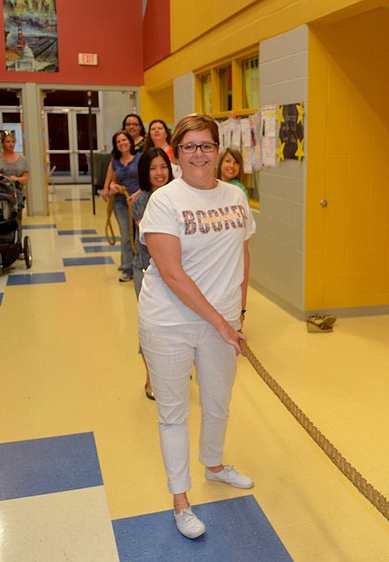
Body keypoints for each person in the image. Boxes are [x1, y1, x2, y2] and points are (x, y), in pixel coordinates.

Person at [137, 113, 255, 540]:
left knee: (219, 400)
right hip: (168, 322)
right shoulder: (164, 201)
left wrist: (238, 314)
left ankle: (215, 464)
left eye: (206, 145)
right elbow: (173, 276)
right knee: (173, 413)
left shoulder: (236, 197)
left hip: (222, 321)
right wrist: (222, 323)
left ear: (218, 149)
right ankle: (181, 500)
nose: (199, 154)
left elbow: (243, 257)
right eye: (189, 147)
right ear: (176, 153)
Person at [130, 147, 174, 400]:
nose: (159, 173)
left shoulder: (178, 195)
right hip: (147, 271)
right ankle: (150, 377)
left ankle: (174, 369)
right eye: (153, 168)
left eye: (163, 167)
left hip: (177, 272)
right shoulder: (141, 200)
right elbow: (148, 241)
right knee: (150, 327)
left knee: (176, 324)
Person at [101, 130, 140, 282]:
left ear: (130, 142)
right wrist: (111, 187)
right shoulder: (115, 162)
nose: (122, 143)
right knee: (125, 235)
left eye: (124, 140)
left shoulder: (139, 158)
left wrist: (138, 193)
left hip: (138, 201)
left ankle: (140, 263)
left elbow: (145, 179)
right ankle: (127, 268)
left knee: (138, 234)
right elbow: (112, 181)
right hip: (120, 203)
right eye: (118, 142)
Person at [0, 130, 29, 205]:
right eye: (8, 142)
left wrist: (16, 179)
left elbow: (25, 178)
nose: (11, 144)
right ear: (2, 143)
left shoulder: (22, 159)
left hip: (16, 192)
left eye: (13, 142)